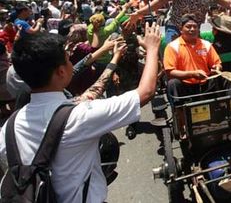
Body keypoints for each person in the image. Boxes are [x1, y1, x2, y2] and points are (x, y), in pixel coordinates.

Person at [0, 22, 161, 203]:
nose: (72, 63)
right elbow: (146, 92)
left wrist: (113, 58)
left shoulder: (10, 126)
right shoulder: (79, 116)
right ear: (61, 71)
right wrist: (153, 48)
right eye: (68, 60)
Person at [163, 14, 223, 106]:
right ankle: (180, 115)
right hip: (185, 86)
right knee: (173, 83)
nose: (192, 29)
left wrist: (217, 68)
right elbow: (170, 72)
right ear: (181, 29)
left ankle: (227, 110)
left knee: (226, 78)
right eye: (188, 27)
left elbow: (217, 63)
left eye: (195, 27)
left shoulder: (206, 44)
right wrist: (192, 74)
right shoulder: (172, 47)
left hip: (205, 83)